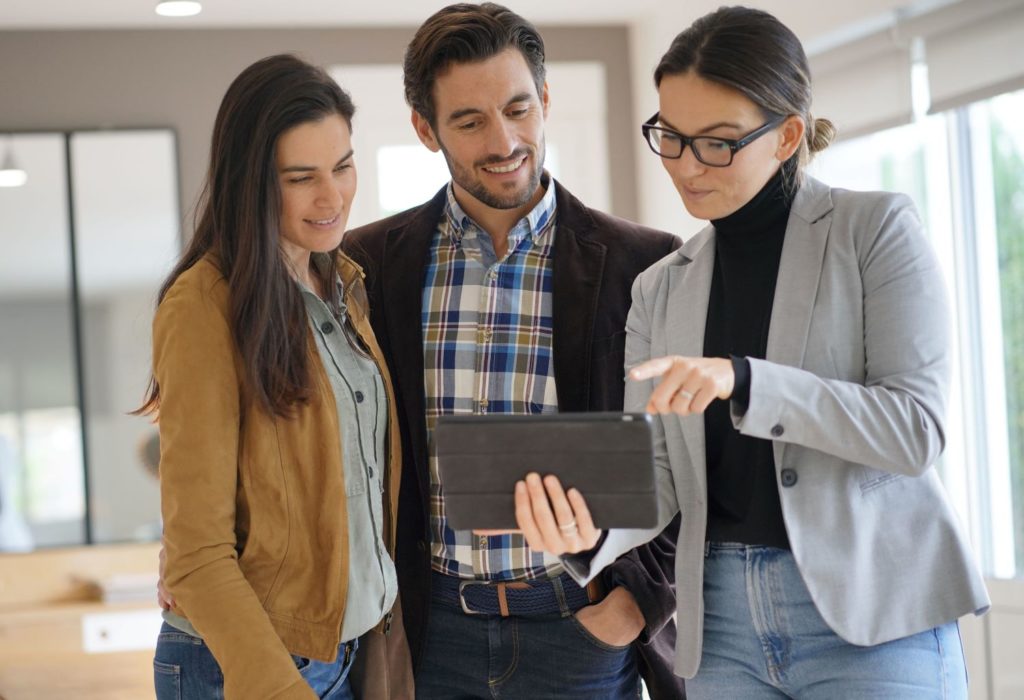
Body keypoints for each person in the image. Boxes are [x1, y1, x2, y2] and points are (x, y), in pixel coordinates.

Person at [513, 6, 991, 698]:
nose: (685, 164)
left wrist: (743, 381)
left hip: (870, 619)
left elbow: (914, 429)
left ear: (788, 133)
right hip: (722, 624)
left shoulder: (874, 231)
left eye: (717, 143)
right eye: (670, 137)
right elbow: (657, 472)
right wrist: (585, 530)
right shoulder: (659, 288)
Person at [341, 3, 685, 698]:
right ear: (424, 129)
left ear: (546, 100)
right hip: (429, 634)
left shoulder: (644, 264)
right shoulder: (367, 266)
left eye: (519, 109)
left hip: (580, 629)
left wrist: (641, 602)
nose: (504, 141)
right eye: (469, 122)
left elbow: (696, 453)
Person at [140, 54, 409, 699]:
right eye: (301, 177)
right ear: (253, 183)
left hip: (349, 652)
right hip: (250, 666)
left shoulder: (344, 281)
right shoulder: (204, 306)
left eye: (343, 166)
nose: (333, 195)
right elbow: (196, 551)